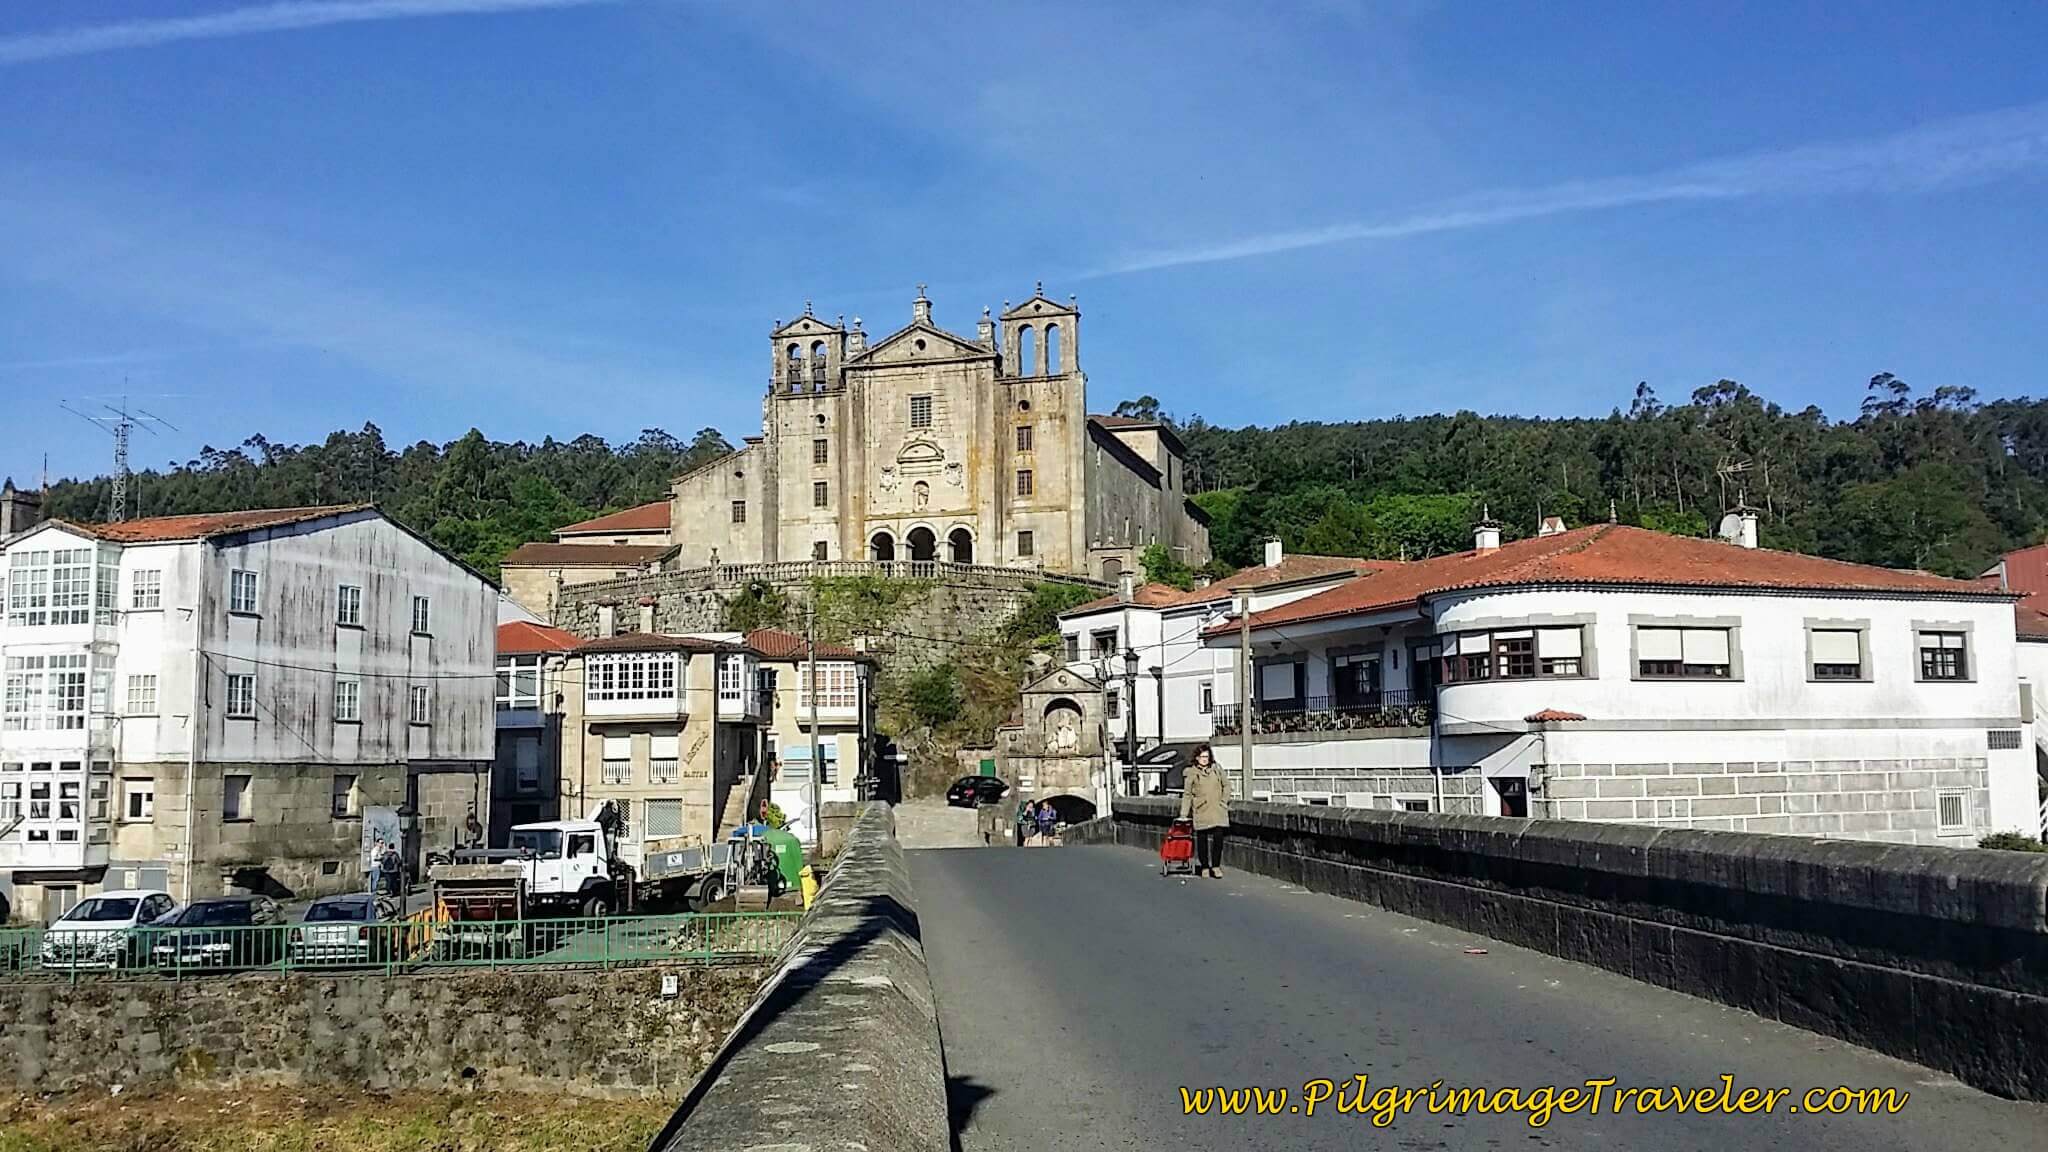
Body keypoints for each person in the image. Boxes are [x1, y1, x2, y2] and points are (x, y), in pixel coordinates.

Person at [1178, 744, 1230, 878]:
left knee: (1218, 837)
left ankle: (1216, 866)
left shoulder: (1217, 769)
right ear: (1196, 758)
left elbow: (1226, 785)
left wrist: (1224, 801)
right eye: (1202, 757)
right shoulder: (1192, 773)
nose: (1204, 759)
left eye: (1206, 756)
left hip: (1217, 809)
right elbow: (1187, 794)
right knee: (1202, 839)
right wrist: (1184, 814)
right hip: (1201, 809)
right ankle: (1205, 866)